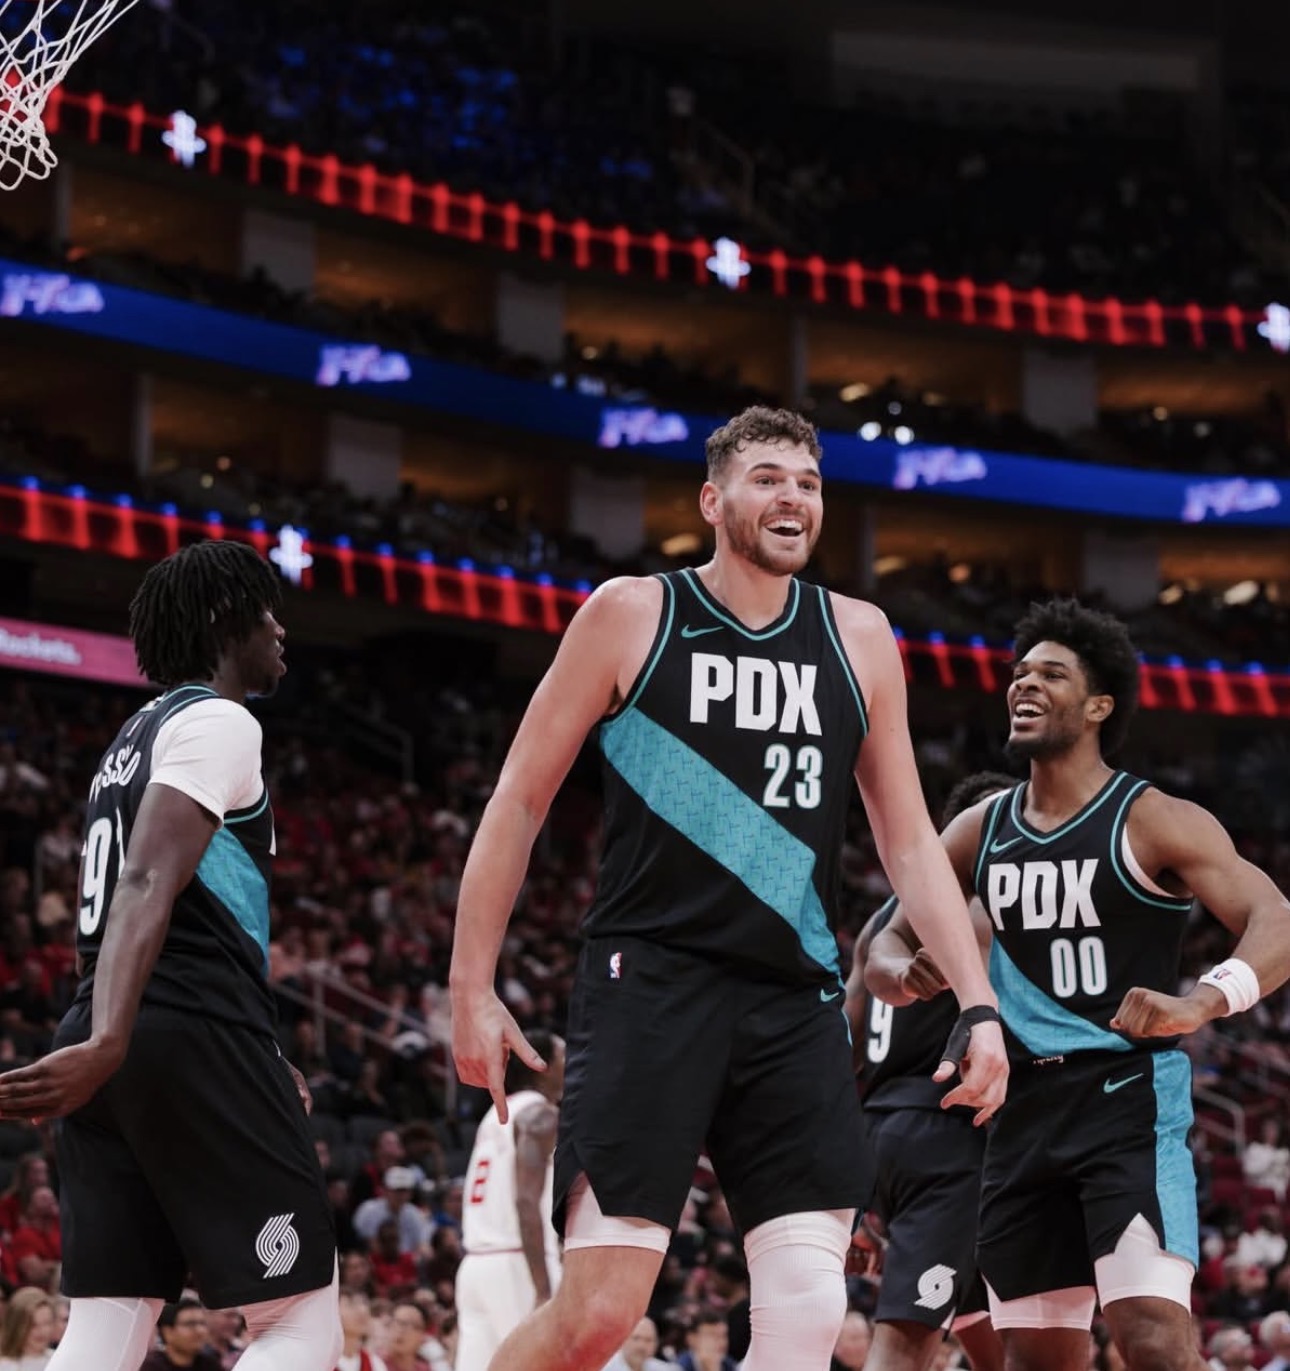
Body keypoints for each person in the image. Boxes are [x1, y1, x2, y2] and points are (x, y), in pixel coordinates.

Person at [451, 405, 1007, 1371]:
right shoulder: (632, 613)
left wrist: (979, 1004)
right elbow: (520, 797)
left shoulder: (859, 635)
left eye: (809, 482)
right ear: (713, 501)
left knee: (809, 1309)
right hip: (651, 985)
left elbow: (910, 841)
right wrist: (471, 985)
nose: (793, 498)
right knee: (598, 1315)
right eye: (768, 479)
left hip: (793, 1001)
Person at [868, 597, 1290, 1371]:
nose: (1024, 684)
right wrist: (902, 973)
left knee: (1151, 1334)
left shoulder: (1152, 817)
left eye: (1052, 674)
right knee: (1036, 1358)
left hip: (1124, 1097)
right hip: (1019, 1112)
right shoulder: (980, 826)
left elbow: (1277, 917)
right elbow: (885, 940)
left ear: (1099, 705)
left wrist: (1202, 1000)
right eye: (1020, 673)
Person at [0, 541, 343, 1371]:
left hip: (118, 1026)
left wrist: (103, 1038)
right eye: (267, 612)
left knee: (108, 1321)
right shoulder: (221, 720)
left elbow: (138, 903)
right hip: (181, 1028)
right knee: (299, 1320)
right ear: (226, 619)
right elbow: (149, 876)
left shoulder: (130, 738)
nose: (281, 630)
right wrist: (112, 1039)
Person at [849, 773, 1012, 1371]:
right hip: (948, 1140)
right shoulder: (985, 909)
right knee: (903, 1348)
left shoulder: (880, 924)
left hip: (877, 1133)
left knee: (1000, 1337)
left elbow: (842, 1048)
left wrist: (853, 1189)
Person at [455, 1031, 566, 1371]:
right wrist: (542, 1288)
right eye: (564, 1056)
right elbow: (525, 1201)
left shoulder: (495, 1114)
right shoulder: (540, 1115)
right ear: (540, 1065)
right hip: (517, 1263)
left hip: (475, 1265)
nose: (571, 1064)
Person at [141, 1298, 222, 1370]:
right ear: (168, 1332)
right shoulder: (152, 1366)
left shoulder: (210, 1364)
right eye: (190, 1324)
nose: (200, 1331)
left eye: (202, 1323)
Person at [0, 1287, 54, 1369]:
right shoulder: (5, 1365)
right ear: (18, 1326)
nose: (42, 1331)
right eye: (33, 1325)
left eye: (46, 1323)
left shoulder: (60, 1357)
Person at [336, 1289, 389, 1371]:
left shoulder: (375, 1363)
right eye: (351, 1304)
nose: (362, 1310)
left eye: (364, 1304)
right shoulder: (320, 1360)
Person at [602, 1316, 669, 1371]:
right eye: (636, 1338)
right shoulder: (602, 1368)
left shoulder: (664, 1368)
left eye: (648, 1340)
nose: (641, 1346)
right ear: (622, 1341)